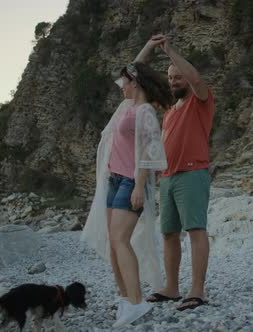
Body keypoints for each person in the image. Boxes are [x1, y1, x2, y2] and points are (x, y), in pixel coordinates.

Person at [81, 60, 172, 327]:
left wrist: (137, 185)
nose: (121, 87)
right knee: (114, 243)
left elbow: (148, 151)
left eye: (125, 82)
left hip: (130, 181)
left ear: (136, 83)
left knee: (121, 240)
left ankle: (136, 301)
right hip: (114, 179)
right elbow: (134, 65)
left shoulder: (144, 111)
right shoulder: (127, 107)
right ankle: (125, 298)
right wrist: (144, 50)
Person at [139, 34, 214, 311]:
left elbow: (195, 79)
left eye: (177, 76)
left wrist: (170, 51)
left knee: (195, 230)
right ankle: (171, 288)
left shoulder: (201, 99)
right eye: (170, 77)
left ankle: (197, 290)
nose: (173, 81)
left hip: (193, 173)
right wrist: (148, 48)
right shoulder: (170, 109)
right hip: (168, 177)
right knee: (169, 234)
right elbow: (136, 78)